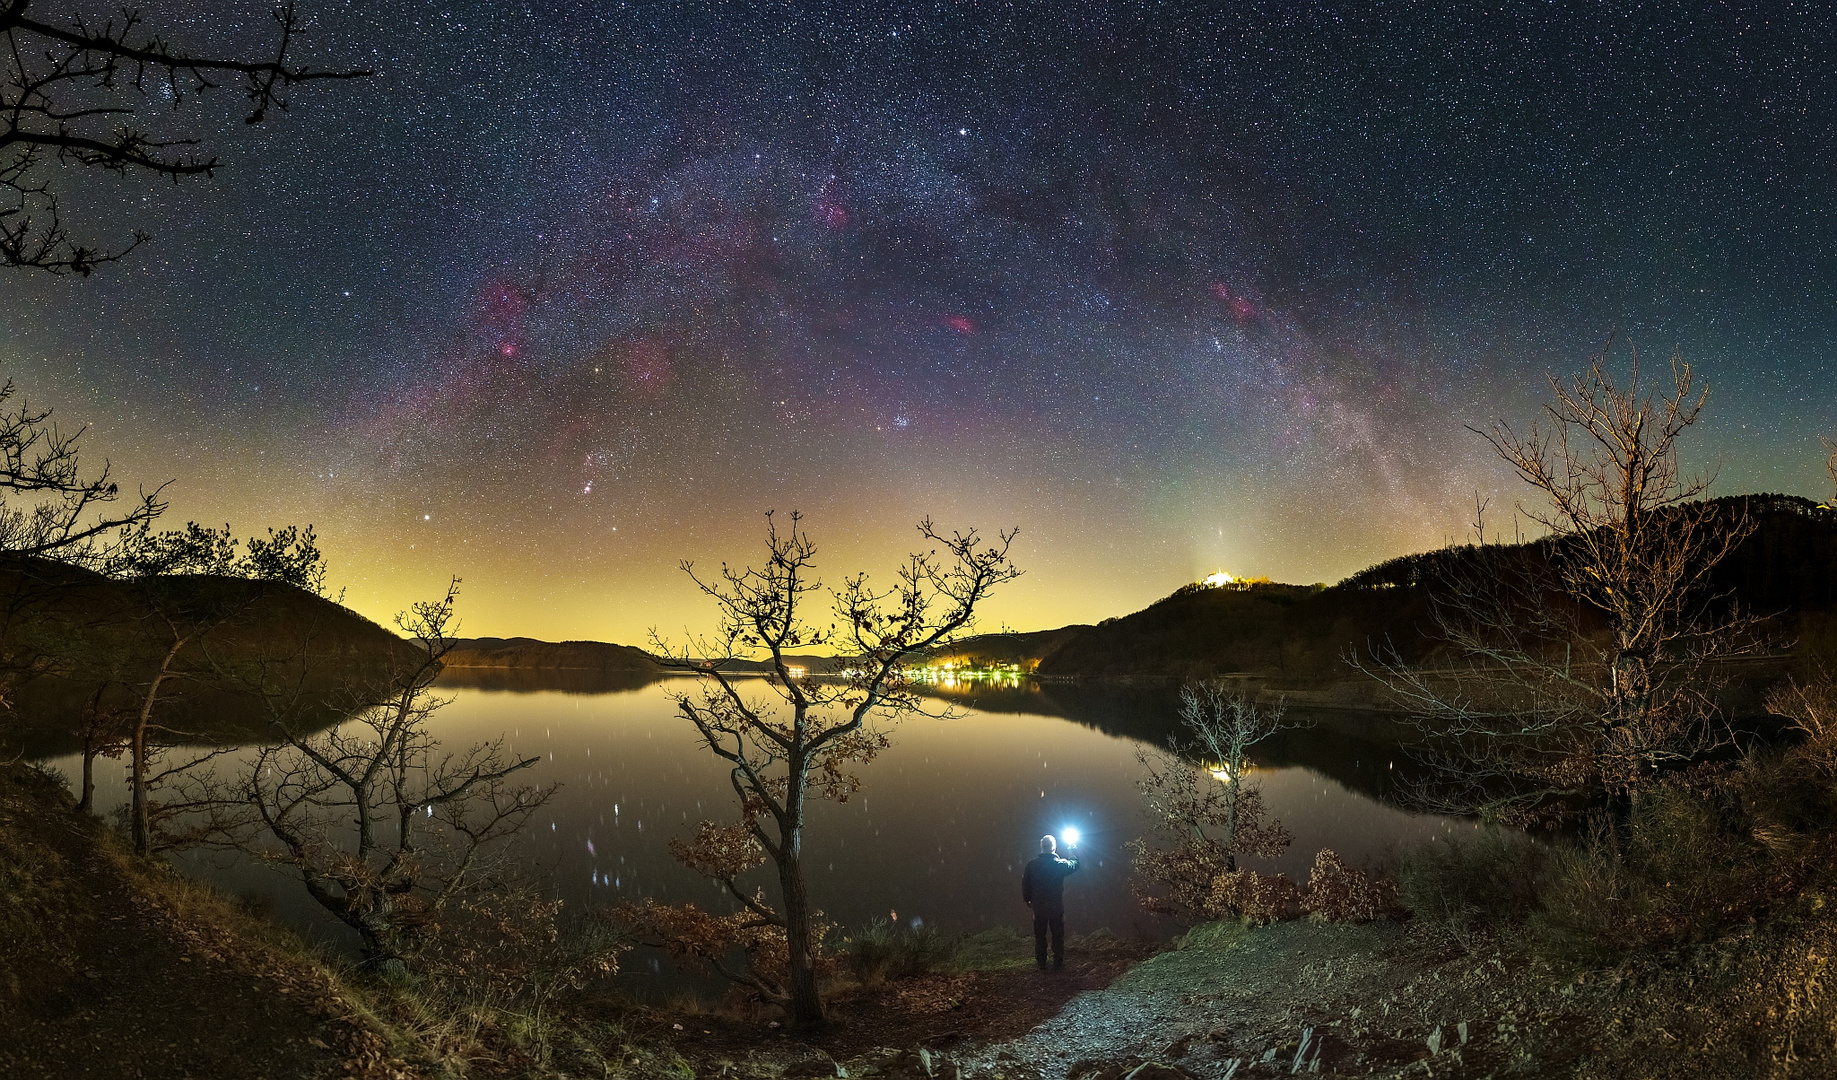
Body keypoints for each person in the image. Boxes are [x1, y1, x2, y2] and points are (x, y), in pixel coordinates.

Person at [1021, 833, 1079, 970]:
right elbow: (1074, 864)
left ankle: (1041, 962)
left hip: (1039, 907)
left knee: (1040, 935)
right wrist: (1072, 852)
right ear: (1054, 848)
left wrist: (1028, 899)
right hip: (1056, 906)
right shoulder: (1059, 864)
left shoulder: (1031, 865)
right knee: (1057, 935)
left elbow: (1025, 883)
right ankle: (1058, 962)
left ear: (1041, 847)